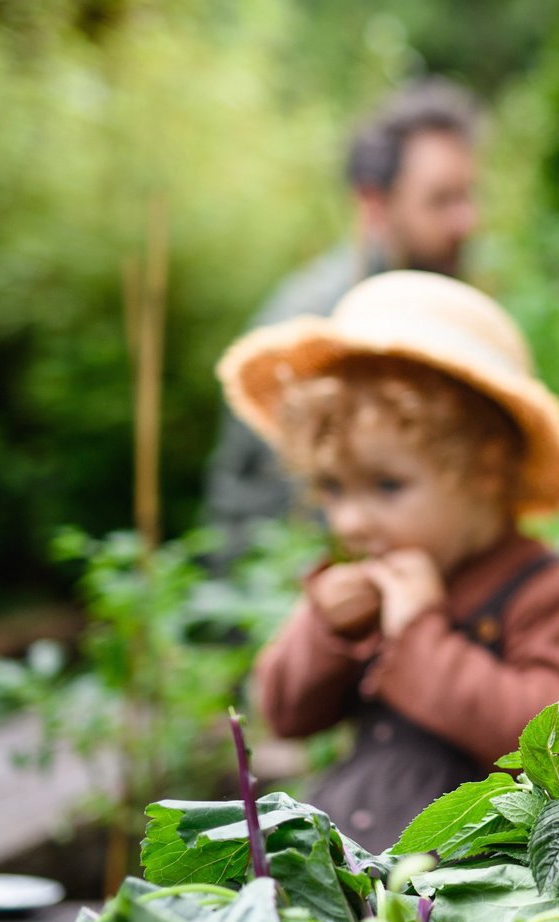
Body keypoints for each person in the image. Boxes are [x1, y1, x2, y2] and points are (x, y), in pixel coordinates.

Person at [217, 271, 559, 851]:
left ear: (485, 469)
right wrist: (328, 629)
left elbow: (554, 748)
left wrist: (419, 632)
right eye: (332, 488)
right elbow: (284, 712)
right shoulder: (371, 580)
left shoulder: (553, 593)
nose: (349, 522)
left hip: (474, 872)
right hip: (348, 852)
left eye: (387, 485)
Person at [204, 78, 483, 564]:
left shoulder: (432, 303)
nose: (467, 222)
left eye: (468, 196)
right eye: (441, 200)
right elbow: (278, 512)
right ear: (375, 204)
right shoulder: (318, 329)